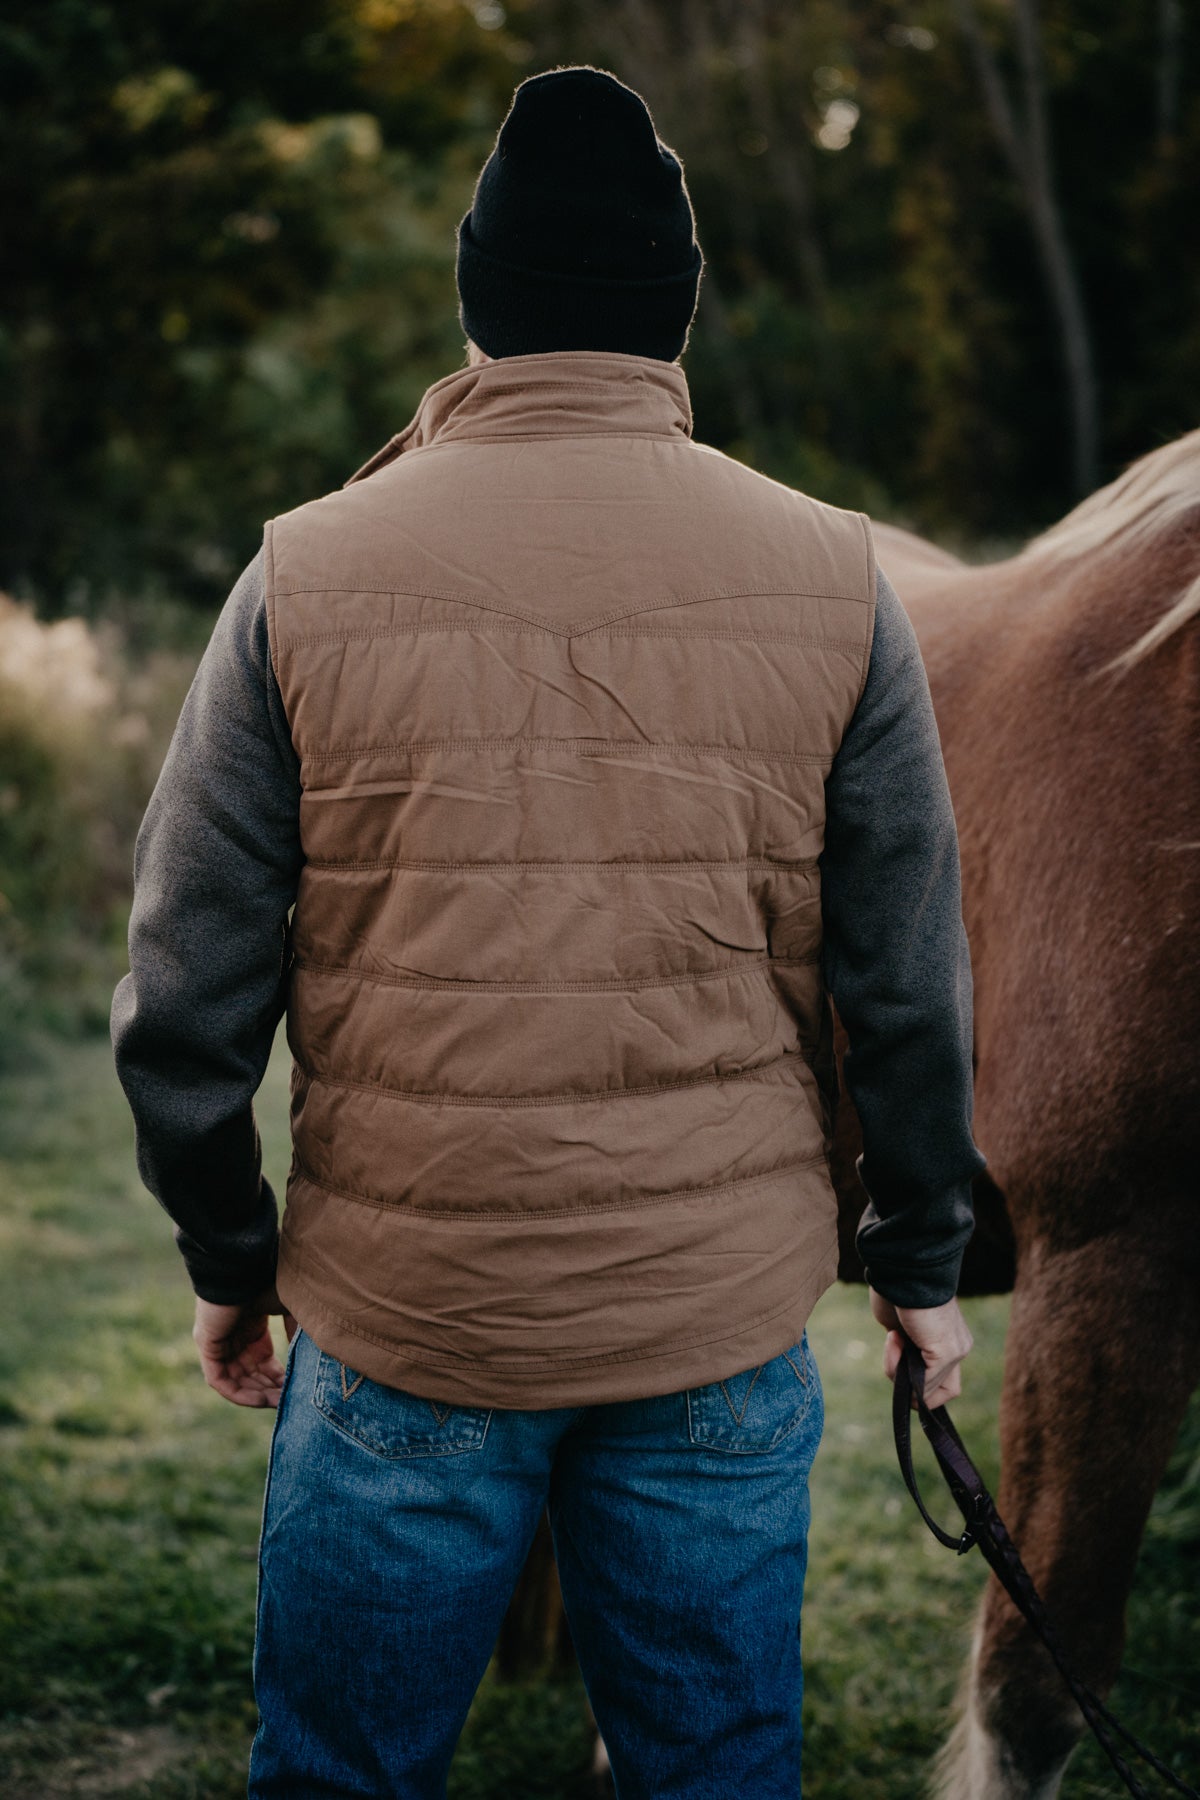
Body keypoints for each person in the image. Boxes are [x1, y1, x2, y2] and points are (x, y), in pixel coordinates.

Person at [113, 65, 981, 1800]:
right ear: (675, 309)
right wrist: (925, 1263)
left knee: (344, 1772)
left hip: (405, 1324)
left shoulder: (301, 569)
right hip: (715, 1331)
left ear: (482, 306)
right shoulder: (837, 577)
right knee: (713, 1772)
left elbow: (185, 994)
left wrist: (231, 1256)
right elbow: (904, 979)